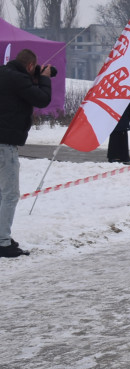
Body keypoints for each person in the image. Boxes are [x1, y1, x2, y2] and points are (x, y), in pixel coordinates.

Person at [0, 49, 53, 257]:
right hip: (5, 144)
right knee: (10, 194)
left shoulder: (5, 73)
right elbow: (42, 100)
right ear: (30, 66)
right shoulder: (18, 79)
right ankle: (3, 242)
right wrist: (45, 78)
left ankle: (1, 235)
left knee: (1, 193)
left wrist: (35, 76)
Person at [107, 92, 130, 163]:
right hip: (120, 105)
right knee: (118, 130)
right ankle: (116, 156)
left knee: (122, 130)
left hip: (125, 106)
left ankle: (121, 155)